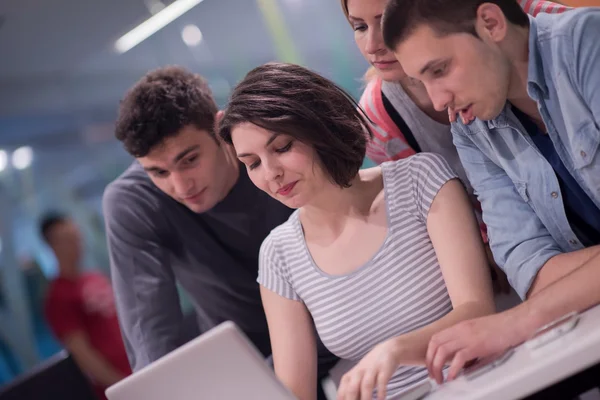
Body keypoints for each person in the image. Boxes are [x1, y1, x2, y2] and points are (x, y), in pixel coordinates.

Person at [218, 62, 495, 400]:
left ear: (320, 129)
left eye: (282, 148)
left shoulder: (419, 179)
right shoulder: (278, 254)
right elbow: (295, 392)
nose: (271, 173)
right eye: (253, 164)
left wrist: (394, 351)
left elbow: (477, 312)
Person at [381, 0, 600, 383]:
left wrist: (516, 323)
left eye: (440, 70)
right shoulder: (471, 129)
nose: (437, 100)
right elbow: (530, 269)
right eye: (422, 81)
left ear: (490, 23)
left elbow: (539, 292)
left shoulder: (586, 41)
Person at [103, 66, 338, 399]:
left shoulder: (272, 155)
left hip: (336, 321)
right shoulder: (134, 200)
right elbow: (150, 331)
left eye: (189, 159)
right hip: (247, 362)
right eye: (158, 172)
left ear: (219, 127)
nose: (180, 185)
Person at [342, 0, 569, 296]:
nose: (373, 45)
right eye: (359, 26)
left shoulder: (541, 27)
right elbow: (465, 207)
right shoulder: (381, 119)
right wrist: (486, 241)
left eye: (386, 22)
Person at [41, 213, 131, 399]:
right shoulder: (58, 297)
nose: (76, 244)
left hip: (136, 368)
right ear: (53, 245)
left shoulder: (95, 278)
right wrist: (122, 386)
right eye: (67, 239)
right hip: (120, 385)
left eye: (76, 237)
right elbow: (83, 354)